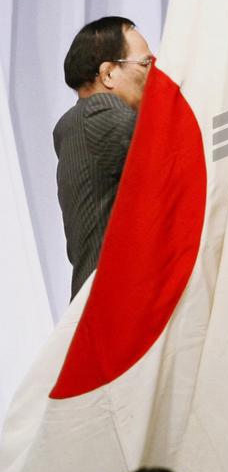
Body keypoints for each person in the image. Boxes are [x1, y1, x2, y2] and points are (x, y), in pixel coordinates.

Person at [53, 16, 152, 299]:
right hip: (119, 304)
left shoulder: (77, 121)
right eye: (146, 64)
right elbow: (176, 150)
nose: (155, 75)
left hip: (100, 301)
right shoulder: (101, 112)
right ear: (108, 74)